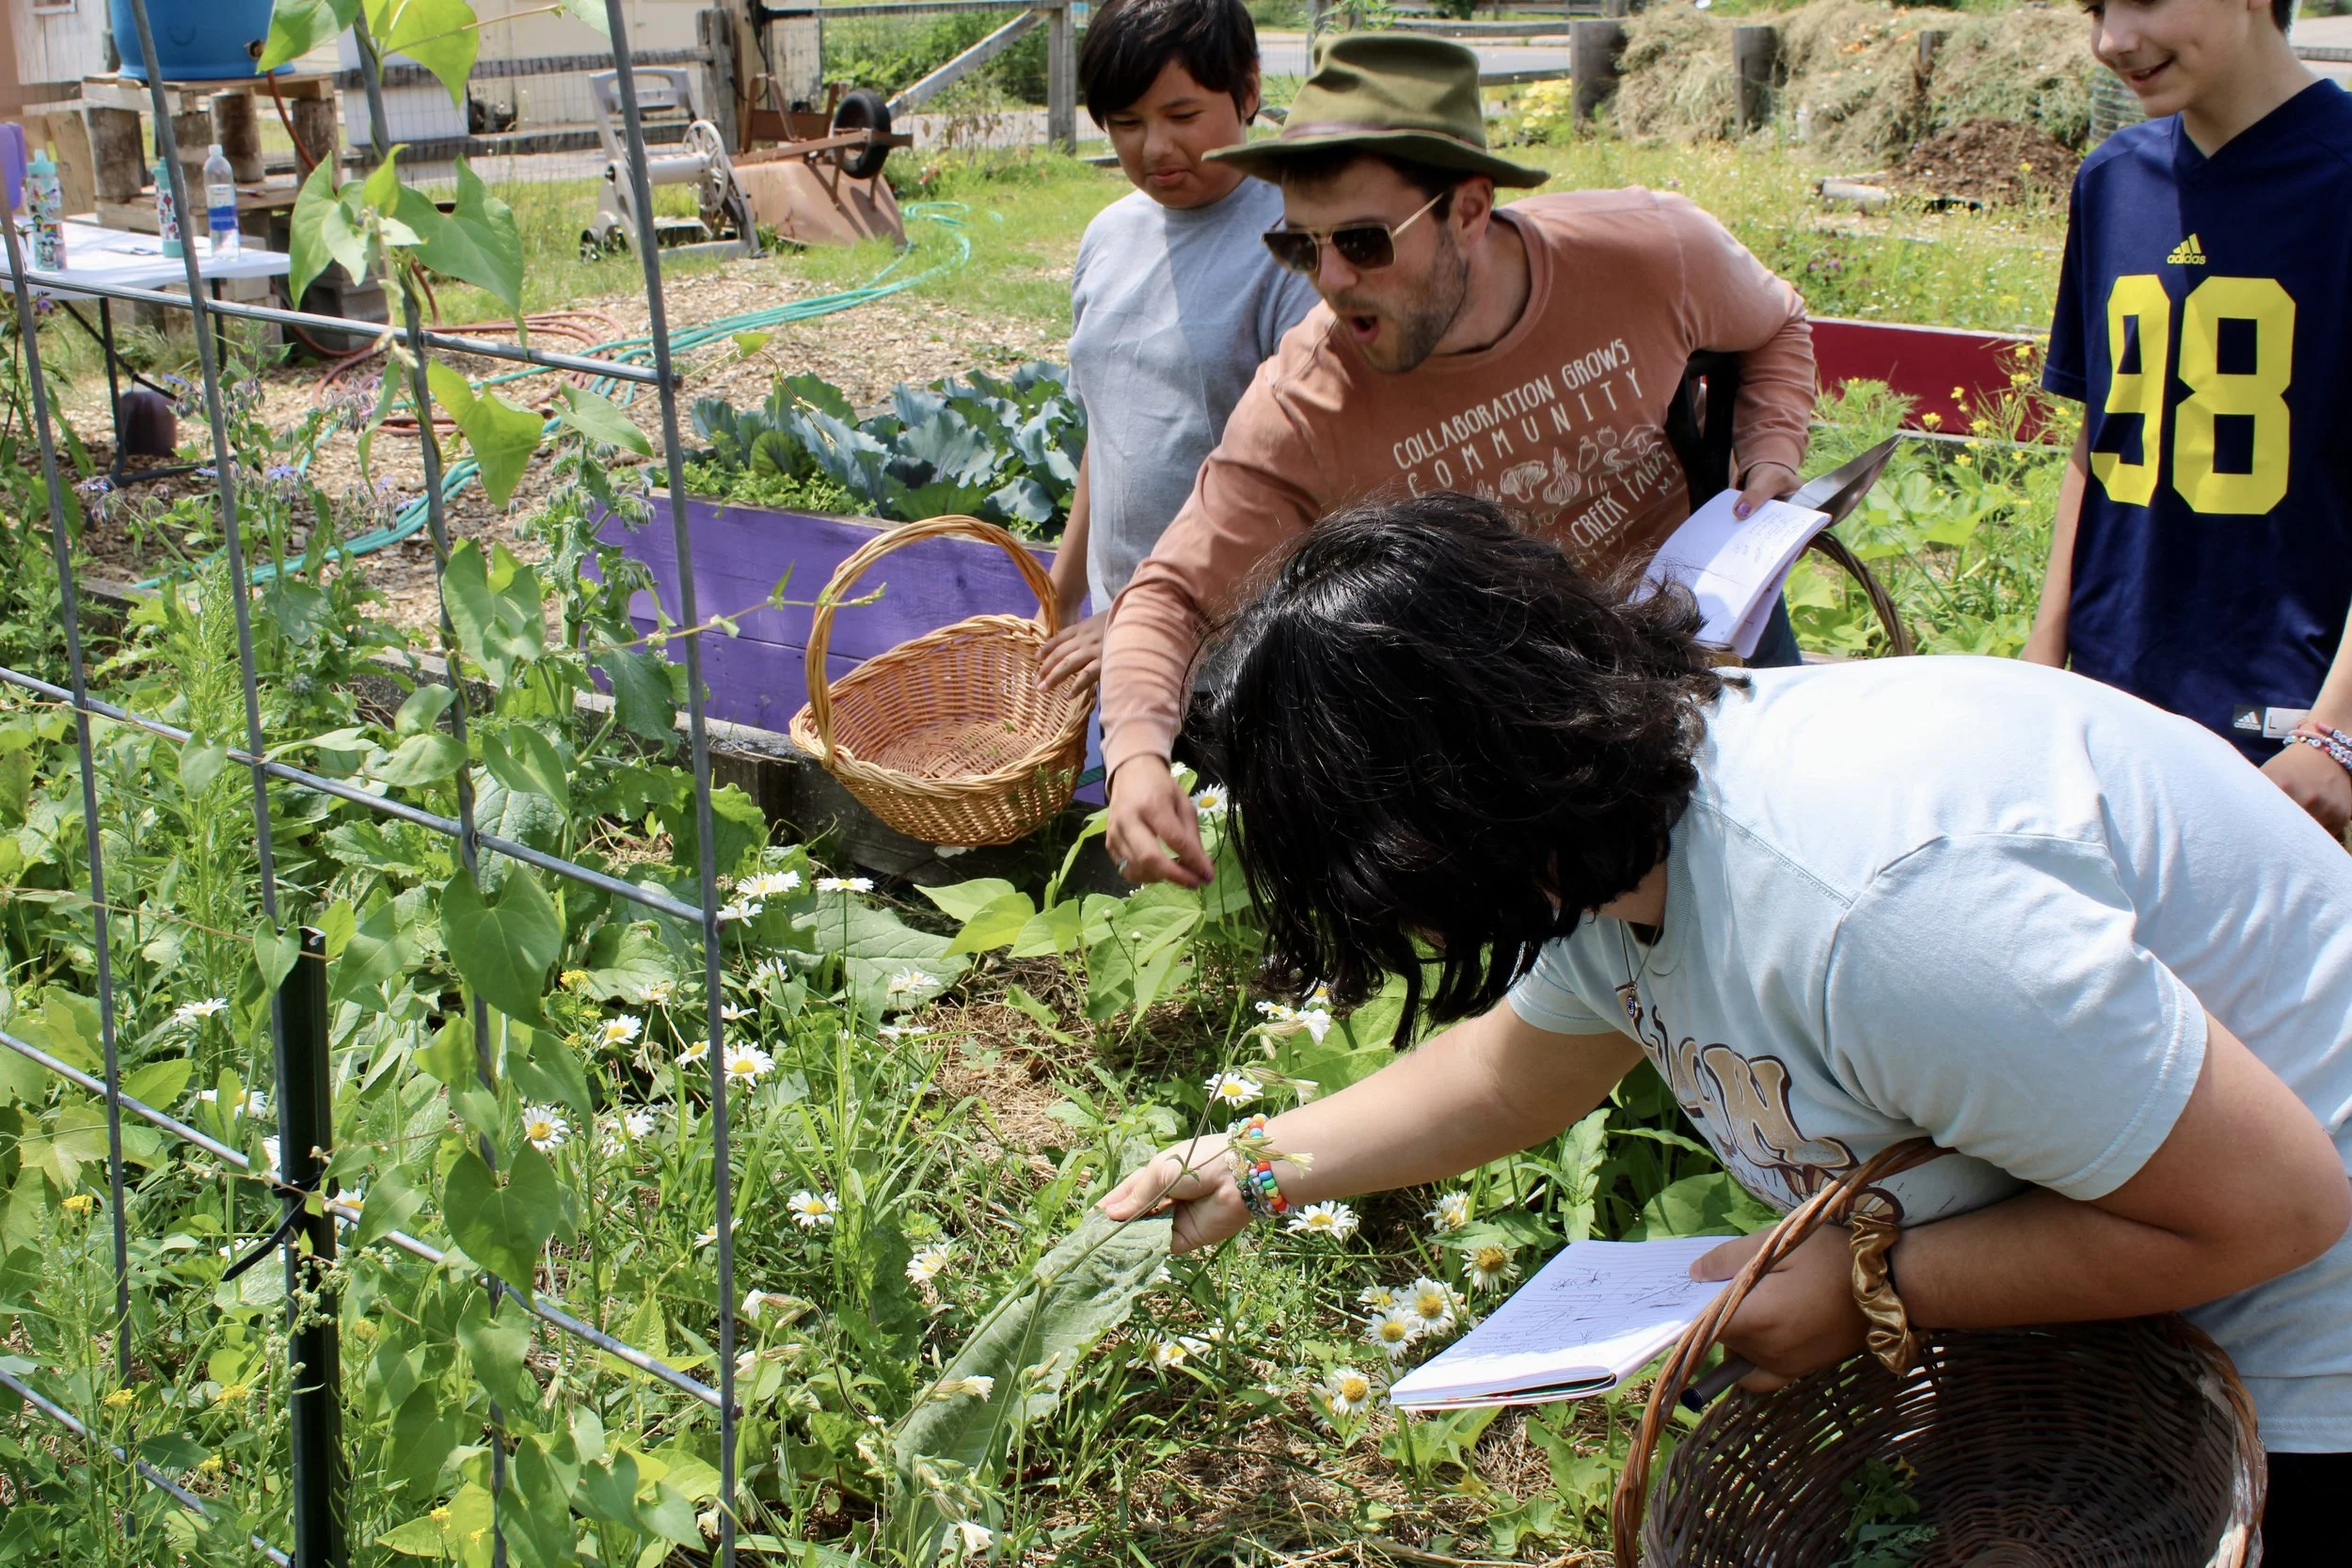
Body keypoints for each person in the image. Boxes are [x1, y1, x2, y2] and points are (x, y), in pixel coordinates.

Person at [1100, 499, 2352, 1558]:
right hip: (2133, 1278)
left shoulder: (1871, 907)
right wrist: (1251, 1163)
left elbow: (2278, 1206)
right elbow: (1505, 1078)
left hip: (2302, 1333)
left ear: (1443, 821)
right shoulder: (1605, 814)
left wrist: (1876, 1287)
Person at [1098, 32, 1818, 888]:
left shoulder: (1650, 252)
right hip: (1538, 715)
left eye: (1363, 241)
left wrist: (1770, 450)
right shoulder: (1307, 402)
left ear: (1469, 210)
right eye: (1301, 246)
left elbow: (1775, 323)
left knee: (1800, 863)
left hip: (1718, 630)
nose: (1329, 279)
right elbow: (1172, 594)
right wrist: (1137, 756)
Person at [2023, 0, 2352, 835]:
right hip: (2108, 712)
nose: (2111, 41)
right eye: (2096, 8)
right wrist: (2039, 665)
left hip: (2290, 742)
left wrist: (2335, 732)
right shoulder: (2111, 178)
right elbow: (2098, 442)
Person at [1038, 0, 1320, 696]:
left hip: (1252, 656)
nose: (1154, 148)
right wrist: (1061, 594)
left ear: (1249, 91)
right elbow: (1110, 440)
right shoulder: (1108, 236)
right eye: (1126, 124)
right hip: (1124, 652)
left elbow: (1312, 484)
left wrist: (1158, 616)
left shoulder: (1296, 247)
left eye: (1183, 116)